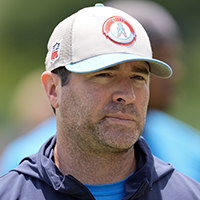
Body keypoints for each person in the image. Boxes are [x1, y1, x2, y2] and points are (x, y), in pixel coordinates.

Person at [0, 3, 200, 199]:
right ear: (53, 89)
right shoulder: (11, 193)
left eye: (138, 77)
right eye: (104, 75)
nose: (127, 95)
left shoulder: (188, 194)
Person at [105, 0, 200, 182]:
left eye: (174, 57)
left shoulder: (192, 151)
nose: (176, 73)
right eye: (162, 58)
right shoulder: (42, 158)